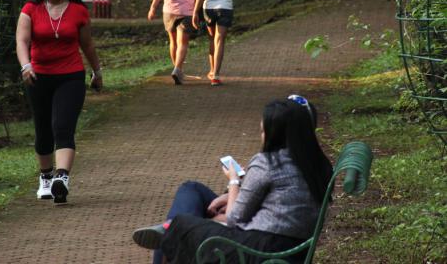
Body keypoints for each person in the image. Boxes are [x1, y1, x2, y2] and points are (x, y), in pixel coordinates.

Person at [132, 96, 333, 264]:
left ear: (277, 134)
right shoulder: (316, 163)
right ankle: (175, 229)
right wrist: (229, 196)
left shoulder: (269, 162)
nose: (262, 136)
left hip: (260, 250)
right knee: (191, 191)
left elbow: (234, 218)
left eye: (264, 131)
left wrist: (234, 181)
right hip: (291, 248)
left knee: (179, 225)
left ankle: (171, 229)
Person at [16, 0, 103, 204]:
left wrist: (97, 71)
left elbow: (88, 45)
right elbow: (21, 42)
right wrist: (26, 66)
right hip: (38, 77)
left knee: (62, 126)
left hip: (70, 76)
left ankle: (61, 179)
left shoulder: (78, 11)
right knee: (43, 129)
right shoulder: (30, 9)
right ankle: (45, 178)